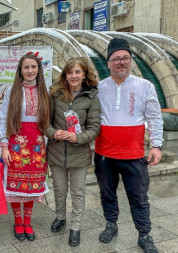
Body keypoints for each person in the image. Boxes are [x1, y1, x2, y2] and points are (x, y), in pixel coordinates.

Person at [95, 38, 163, 253]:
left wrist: (156, 145)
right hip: (104, 153)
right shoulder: (99, 88)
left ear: (131, 61)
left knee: (139, 197)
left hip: (134, 154)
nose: (121, 62)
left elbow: (154, 118)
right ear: (108, 63)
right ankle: (111, 225)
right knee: (107, 193)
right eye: (116, 59)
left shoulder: (145, 86)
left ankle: (145, 234)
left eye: (125, 58)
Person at [46, 57, 101, 247]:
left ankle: (75, 227)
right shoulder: (55, 94)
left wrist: (78, 138)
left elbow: (94, 128)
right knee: (60, 190)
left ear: (84, 74)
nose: (74, 76)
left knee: (78, 192)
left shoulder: (91, 97)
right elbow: (45, 123)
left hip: (79, 155)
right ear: (65, 75)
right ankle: (60, 217)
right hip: (56, 153)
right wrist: (54, 134)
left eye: (78, 72)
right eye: (70, 72)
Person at [0, 52, 50, 241]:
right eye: (26, 67)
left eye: (33, 67)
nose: (30, 70)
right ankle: (18, 221)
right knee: (15, 184)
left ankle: (28, 222)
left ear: (38, 69)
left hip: (37, 144)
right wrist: (4, 146)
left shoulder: (45, 92)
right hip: (16, 144)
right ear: (20, 70)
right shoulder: (11, 91)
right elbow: (3, 119)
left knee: (33, 185)